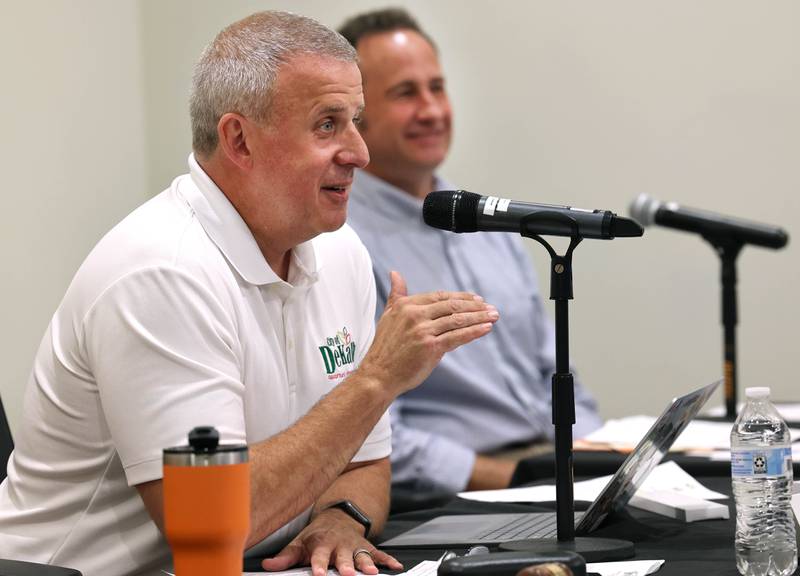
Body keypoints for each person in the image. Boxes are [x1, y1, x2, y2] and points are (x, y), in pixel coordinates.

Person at [0, 12, 499, 576]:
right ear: (238, 139)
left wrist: (341, 519)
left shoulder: (340, 252)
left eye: (355, 120)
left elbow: (366, 460)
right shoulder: (164, 271)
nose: (360, 152)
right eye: (328, 125)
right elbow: (214, 526)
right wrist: (377, 380)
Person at [338, 8, 603, 499]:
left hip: (555, 467)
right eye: (404, 93)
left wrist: (596, 453)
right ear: (356, 113)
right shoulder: (340, 243)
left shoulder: (490, 221)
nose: (432, 110)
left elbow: (553, 367)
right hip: (458, 493)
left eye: (437, 88)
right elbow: (366, 425)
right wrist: (519, 478)